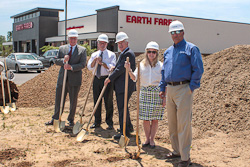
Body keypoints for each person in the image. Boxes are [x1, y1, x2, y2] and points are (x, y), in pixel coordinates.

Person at [159, 20, 204, 167]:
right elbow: (164, 71)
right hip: (170, 89)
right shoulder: (167, 52)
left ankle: (185, 158)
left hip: (184, 89)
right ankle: (176, 151)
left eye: (178, 32)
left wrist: (191, 87)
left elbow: (198, 69)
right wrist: (162, 87)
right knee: (172, 123)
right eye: (172, 32)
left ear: (183, 32)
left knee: (184, 124)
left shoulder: (191, 48)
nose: (175, 35)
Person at [124, 41, 165, 149]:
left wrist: (164, 96)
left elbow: (164, 81)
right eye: (149, 52)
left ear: (157, 53)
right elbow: (134, 78)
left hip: (157, 93)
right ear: (146, 53)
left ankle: (152, 139)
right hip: (145, 92)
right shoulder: (141, 65)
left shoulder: (161, 66)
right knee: (145, 119)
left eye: (154, 52)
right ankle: (147, 139)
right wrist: (128, 70)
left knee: (155, 119)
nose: (151, 54)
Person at [45, 29, 87, 127]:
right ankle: (55, 118)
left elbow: (82, 64)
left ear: (77, 39)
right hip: (62, 79)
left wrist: (71, 67)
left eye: (75, 38)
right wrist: (64, 61)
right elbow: (56, 61)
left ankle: (71, 120)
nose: (73, 40)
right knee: (59, 99)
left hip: (75, 79)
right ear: (68, 39)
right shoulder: (62, 49)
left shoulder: (82, 50)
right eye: (71, 38)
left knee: (73, 101)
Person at [104, 32, 136, 139]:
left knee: (122, 108)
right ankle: (129, 127)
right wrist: (114, 69)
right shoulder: (124, 53)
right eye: (119, 43)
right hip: (121, 86)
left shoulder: (128, 53)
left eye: (122, 43)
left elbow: (120, 69)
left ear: (127, 42)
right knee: (123, 107)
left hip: (125, 86)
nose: (120, 45)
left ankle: (124, 132)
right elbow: (119, 67)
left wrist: (109, 78)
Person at [87, 34, 116, 130]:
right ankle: (97, 121)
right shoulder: (94, 54)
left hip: (106, 79)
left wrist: (102, 63)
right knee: (96, 101)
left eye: (104, 43)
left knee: (108, 101)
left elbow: (112, 68)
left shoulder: (111, 55)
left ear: (107, 44)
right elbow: (89, 67)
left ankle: (109, 122)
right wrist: (95, 61)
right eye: (100, 43)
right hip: (96, 79)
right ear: (98, 44)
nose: (102, 45)